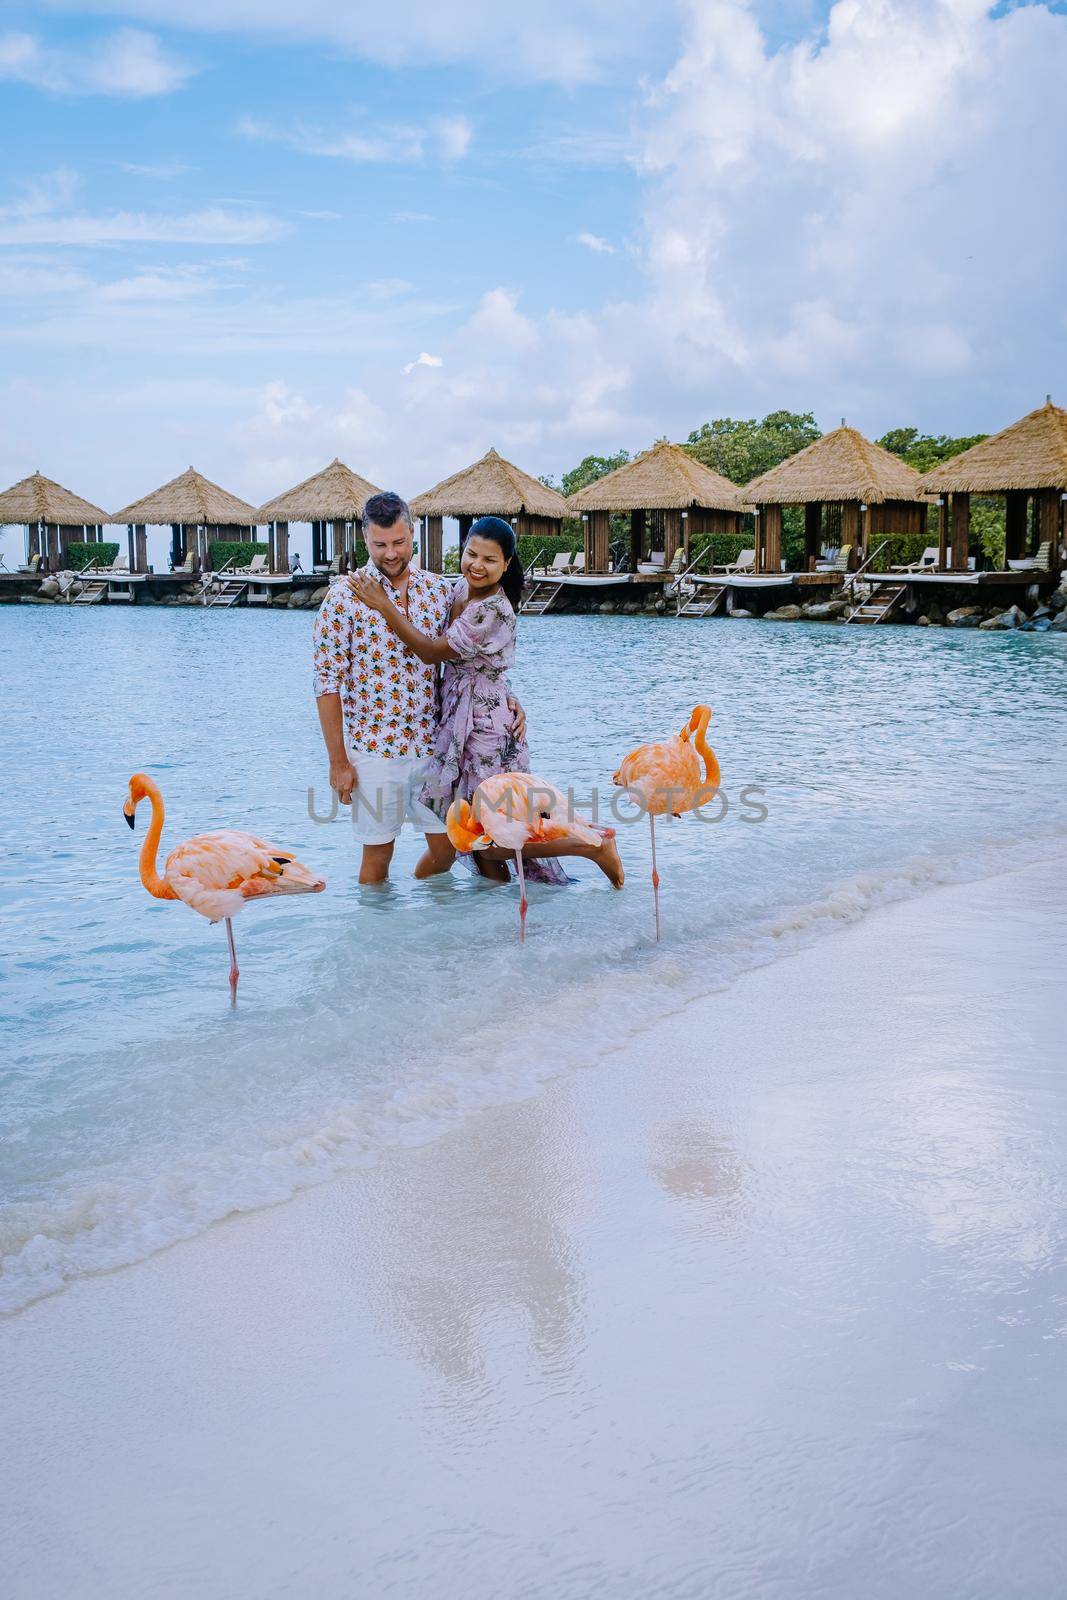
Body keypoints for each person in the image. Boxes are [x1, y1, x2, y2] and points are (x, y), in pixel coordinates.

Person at [349, 515, 624, 888]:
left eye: (489, 559)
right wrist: (511, 695)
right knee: (475, 834)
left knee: (492, 834)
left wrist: (384, 605)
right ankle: (493, 921)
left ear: (507, 564)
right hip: (458, 720)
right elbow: (488, 666)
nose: (477, 565)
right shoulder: (460, 589)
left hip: (484, 728)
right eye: (471, 554)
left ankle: (591, 847)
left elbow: (431, 652)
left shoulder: (492, 609)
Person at [312, 491, 527, 886]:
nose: (391, 553)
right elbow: (327, 685)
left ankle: (432, 940)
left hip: (435, 747)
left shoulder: (439, 590)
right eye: (380, 545)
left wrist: (508, 700)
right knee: (378, 856)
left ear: (413, 533)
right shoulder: (343, 598)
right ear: (365, 540)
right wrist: (338, 762)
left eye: (399, 542)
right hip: (375, 749)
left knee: (448, 847)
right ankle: (379, 943)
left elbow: (475, 655)